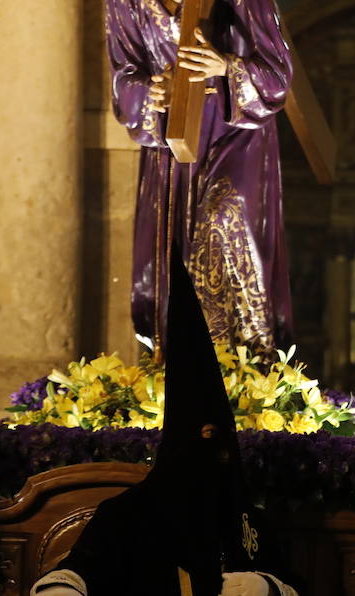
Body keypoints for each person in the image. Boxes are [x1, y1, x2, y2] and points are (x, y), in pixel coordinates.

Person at [98, 0, 293, 354]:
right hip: (172, 143)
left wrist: (226, 65)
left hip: (236, 133)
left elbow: (278, 70)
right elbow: (123, 72)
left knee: (222, 222)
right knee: (171, 252)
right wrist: (147, 94)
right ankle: (173, 360)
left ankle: (244, 360)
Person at [31, 255, 298, 596]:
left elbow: (293, 583)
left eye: (218, 450)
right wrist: (62, 589)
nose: (209, 462)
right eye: (197, 448)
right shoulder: (127, 515)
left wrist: (266, 587)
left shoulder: (246, 521)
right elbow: (77, 570)